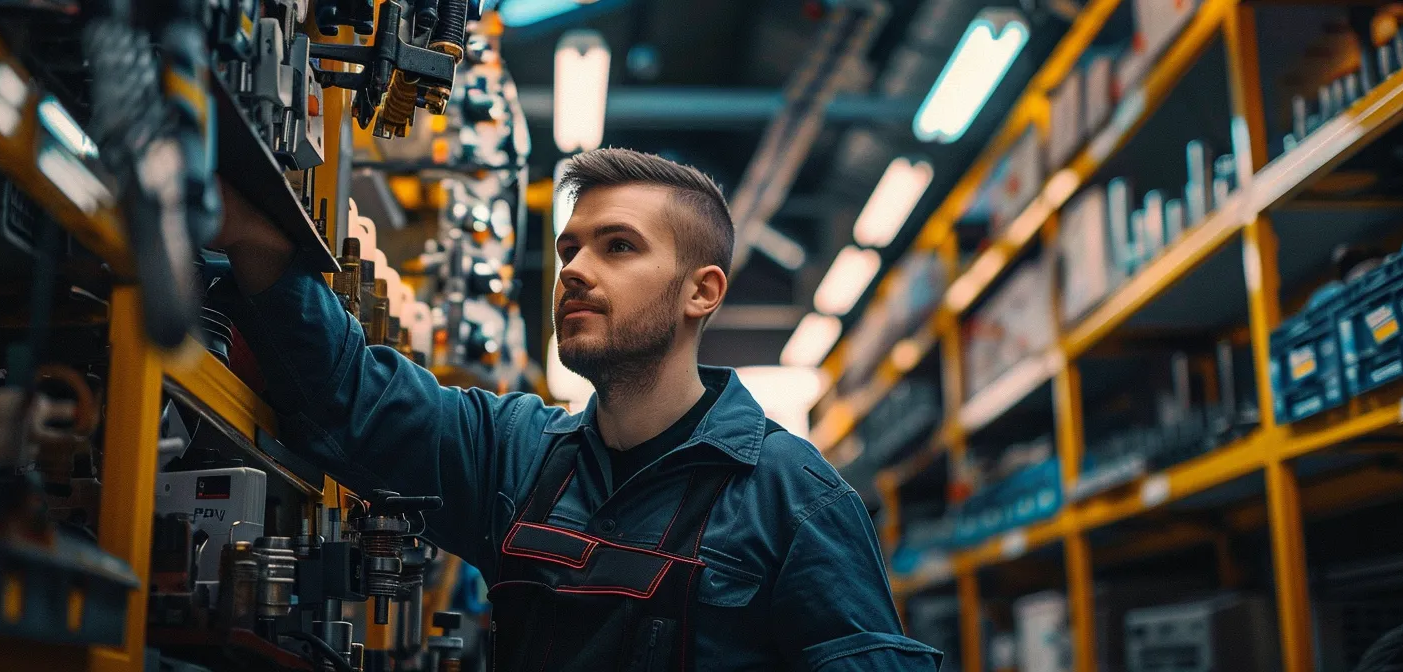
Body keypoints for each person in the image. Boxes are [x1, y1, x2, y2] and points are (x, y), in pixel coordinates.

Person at [212, 147, 939, 671]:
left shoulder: (796, 501)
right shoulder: (517, 452)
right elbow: (351, 396)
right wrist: (253, 235)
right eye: (569, 251)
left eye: (619, 246)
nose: (576, 272)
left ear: (702, 292)